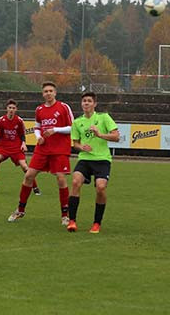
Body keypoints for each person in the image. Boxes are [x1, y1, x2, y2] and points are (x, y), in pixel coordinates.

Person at [8, 81, 74, 225]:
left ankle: (65, 215)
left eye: (51, 91)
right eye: (46, 91)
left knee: (61, 179)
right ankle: (20, 210)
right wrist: (38, 137)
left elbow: (72, 127)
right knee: (29, 175)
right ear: (42, 94)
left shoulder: (63, 107)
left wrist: (55, 130)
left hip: (59, 149)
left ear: (55, 93)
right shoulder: (39, 109)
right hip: (43, 149)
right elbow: (37, 127)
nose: (48, 93)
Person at [67, 92, 119, 234]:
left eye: (89, 101)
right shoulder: (77, 122)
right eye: (84, 101)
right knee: (76, 182)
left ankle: (97, 223)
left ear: (94, 104)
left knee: (101, 188)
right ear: (81, 104)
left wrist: (100, 134)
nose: (86, 103)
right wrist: (81, 147)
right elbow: (75, 144)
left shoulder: (103, 118)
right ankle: (72, 221)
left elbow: (116, 137)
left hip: (102, 159)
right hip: (85, 159)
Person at [0, 99, 41, 195]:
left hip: (16, 147)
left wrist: (23, 143)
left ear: (16, 109)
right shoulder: (1, 120)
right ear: (6, 109)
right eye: (10, 108)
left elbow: (22, 134)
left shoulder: (19, 121)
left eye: (13, 108)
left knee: (24, 166)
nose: (11, 110)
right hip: (4, 147)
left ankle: (35, 187)